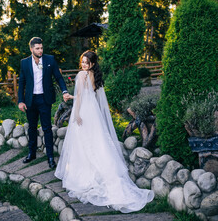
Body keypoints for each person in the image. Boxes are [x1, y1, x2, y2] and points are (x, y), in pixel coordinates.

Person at [55, 50, 154, 213]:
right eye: (83, 61)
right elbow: (88, 95)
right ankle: (106, 172)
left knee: (83, 142)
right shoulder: (95, 76)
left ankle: (85, 175)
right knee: (96, 142)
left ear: (92, 64)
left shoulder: (81, 75)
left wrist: (77, 113)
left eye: (87, 62)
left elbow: (80, 95)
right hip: (93, 112)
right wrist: (73, 98)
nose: (84, 64)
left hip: (84, 112)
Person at [18, 37, 72, 169]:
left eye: (41, 48)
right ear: (31, 49)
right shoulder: (24, 63)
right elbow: (22, 83)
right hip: (30, 100)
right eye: (37, 48)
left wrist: (64, 91)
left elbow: (58, 77)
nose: (40, 50)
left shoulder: (50, 59)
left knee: (47, 128)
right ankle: (32, 153)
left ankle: (50, 157)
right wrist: (20, 101)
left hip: (44, 99)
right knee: (32, 127)